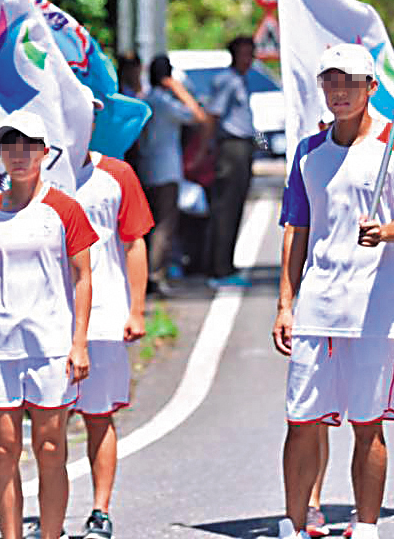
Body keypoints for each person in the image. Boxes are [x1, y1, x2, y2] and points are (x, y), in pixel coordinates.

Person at [272, 43, 394, 539]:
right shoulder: (308, 152)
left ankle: (365, 527)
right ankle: (293, 525)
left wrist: (386, 231)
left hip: (377, 308)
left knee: (367, 423)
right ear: (322, 87)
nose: (339, 91)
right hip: (319, 305)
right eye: (331, 81)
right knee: (301, 420)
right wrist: (285, 302)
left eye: (350, 82)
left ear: (371, 87)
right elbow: (296, 228)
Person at [0, 109, 97, 539]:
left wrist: (79, 343)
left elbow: (83, 276)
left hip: (51, 344)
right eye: (9, 146)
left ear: (44, 152)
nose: (18, 155)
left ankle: (52, 534)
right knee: (3, 451)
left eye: (27, 146)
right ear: (0, 154)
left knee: (50, 448)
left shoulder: (63, 208)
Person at [72, 95, 155, 539]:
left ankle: (100, 510)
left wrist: (137, 309)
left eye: (87, 117)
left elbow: (134, 241)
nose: (79, 124)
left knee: (97, 415)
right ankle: (50, 518)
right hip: (51, 317)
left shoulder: (116, 174)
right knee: (48, 421)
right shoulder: (36, 175)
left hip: (104, 312)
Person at [137, 54, 212, 295]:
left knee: (148, 224)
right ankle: (155, 275)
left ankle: (146, 273)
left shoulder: (145, 100)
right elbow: (199, 116)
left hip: (146, 168)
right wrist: (179, 90)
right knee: (165, 225)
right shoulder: (165, 103)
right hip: (166, 170)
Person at [206, 36, 257, 288]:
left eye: (251, 54)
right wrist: (206, 148)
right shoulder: (227, 81)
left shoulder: (242, 81)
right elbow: (213, 115)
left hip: (243, 146)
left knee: (236, 206)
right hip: (231, 148)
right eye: (244, 54)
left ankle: (226, 263)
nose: (248, 59)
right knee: (225, 207)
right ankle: (219, 268)